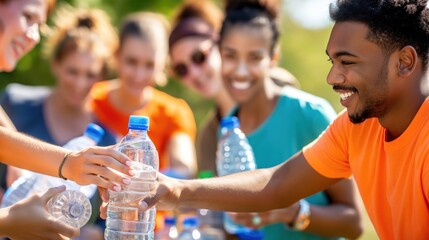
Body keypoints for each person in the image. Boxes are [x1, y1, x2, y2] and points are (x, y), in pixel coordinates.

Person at [115, 0, 429, 239]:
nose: (333, 77)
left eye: (347, 62)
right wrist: (176, 190)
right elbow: (276, 183)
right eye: (332, 62)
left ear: (404, 62)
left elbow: (351, 222)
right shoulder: (354, 128)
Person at [212, 0, 362, 239]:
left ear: (273, 57)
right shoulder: (227, 129)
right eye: (230, 55)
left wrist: (289, 212)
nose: (240, 70)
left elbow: (353, 223)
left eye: (253, 58)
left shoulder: (309, 114)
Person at [0, 0, 132, 239]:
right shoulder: (15, 101)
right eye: (28, 17)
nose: (33, 35)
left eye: (38, 25)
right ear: (56, 64)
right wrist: (69, 164)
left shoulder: (110, 139)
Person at [169, 0, 300, 176]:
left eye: (199, 57)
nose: (193, 73)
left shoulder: (286, 97)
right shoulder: (208, 137)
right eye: (181, 69)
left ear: (221, 45)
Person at [90, 12, 197, 179]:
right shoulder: (90, 99)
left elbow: (184, 168)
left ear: (163, 63)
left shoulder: (174, 111)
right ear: (117, 55)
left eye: (150, 65)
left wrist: (140, 182)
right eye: (132, 62)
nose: (139, 75)